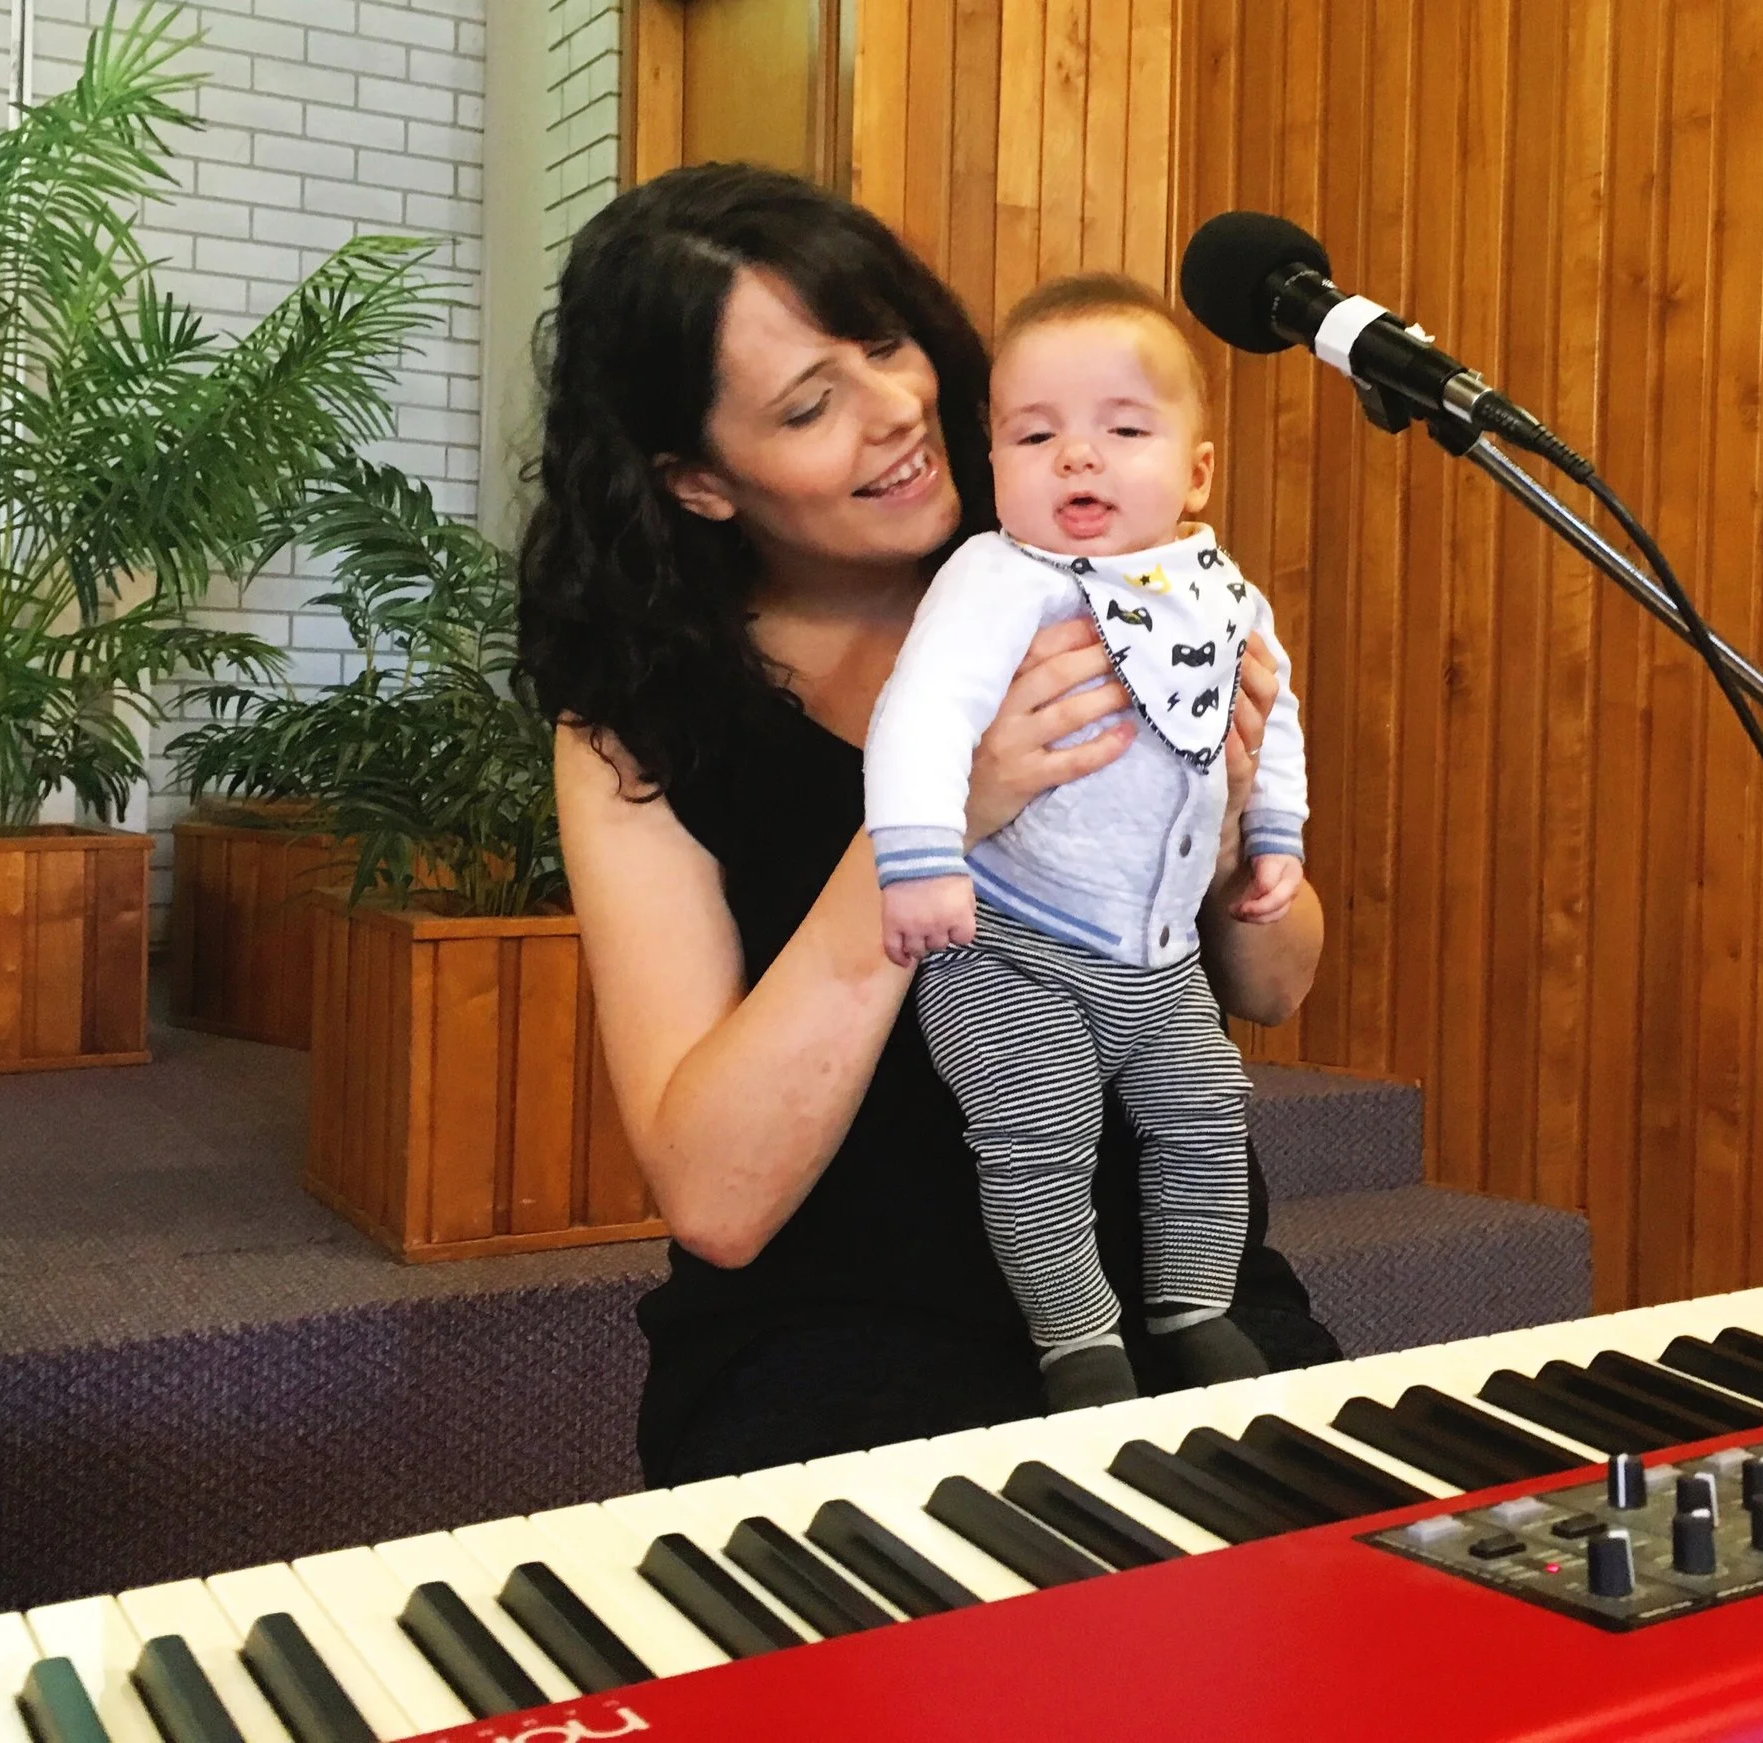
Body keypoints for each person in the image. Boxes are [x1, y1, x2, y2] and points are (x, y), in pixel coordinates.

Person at [518, 162, 1338, 1489]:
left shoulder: (1096, 572)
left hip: (1184, 1298)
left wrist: (1238, 824)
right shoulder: (640, 726)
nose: (897, 409)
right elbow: (719, 1198)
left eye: (885, 339)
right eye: (807, 405)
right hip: (848, 1353)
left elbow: (1276, 982)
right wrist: (937, 822)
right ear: (699, 482)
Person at [864, 272, 1306, 1410]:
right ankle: (1077, 1339)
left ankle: (1195, 1307)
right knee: (1036, 1136)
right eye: (1035, 433)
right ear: (991, 459)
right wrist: (917, 858)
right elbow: (921, 712)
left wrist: (1276, 835)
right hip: (1013, 938)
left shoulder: (1218, 588)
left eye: (1122, 430)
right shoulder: (1001, 577)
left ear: (1196, 469)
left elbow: (1276, 709)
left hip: (1159, 953)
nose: (1078, 458)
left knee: (1209, 1119)